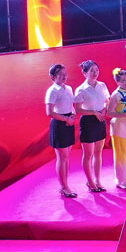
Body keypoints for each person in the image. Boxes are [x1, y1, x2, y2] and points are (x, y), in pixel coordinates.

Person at [74, 60, 111, 193]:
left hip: (100, 120)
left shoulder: (102, 85)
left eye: (96, 70)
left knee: (98, 153)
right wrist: (94, 112)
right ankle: (90, 181)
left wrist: (104, 110)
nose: (95, 73)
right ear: (85, 73)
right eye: (91, 71)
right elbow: (78, 109)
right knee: (88, 154)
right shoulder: (81, 89)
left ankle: (98, 180)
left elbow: (107, 101)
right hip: (88, 122)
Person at [46, 64, 80, 197]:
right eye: (61, 74)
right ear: (53, 77)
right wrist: (65, 119)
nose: (64, 76)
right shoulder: (52, 91)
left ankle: (65, 185)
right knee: (62, 157)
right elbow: (49, 112)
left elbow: (71, 105)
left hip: (69, 123)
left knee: (67, 157)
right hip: (59, 124)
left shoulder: (69, 88)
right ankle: (64, 187)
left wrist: (73, 116)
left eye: (65, 73)